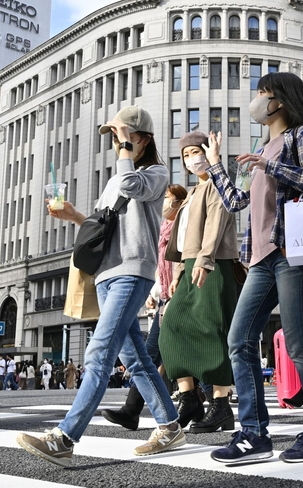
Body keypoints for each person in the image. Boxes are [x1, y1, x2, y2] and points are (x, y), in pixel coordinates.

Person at [16, 105, 182, 466]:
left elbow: (129, 185)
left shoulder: (156, 172)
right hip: (106, 275)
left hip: (132, 271)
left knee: (99, 354)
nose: (117, 143)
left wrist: (124, 151)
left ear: (143, 139)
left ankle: (65, 437)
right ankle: (169, 425)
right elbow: (101, 223)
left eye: (123, 136)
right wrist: (73, 214)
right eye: (114, 137)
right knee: (135, 358)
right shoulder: (115, 178)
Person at [204, 72, 303, 464]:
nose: (256, 99)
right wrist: (215, 165)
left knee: (298, 341)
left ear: (279, 100)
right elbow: (236, 202)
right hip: (261, 258)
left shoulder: (302, 136)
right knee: (238, 340)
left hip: (294, 251)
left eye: (262, 93)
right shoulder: (260, 146)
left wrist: (272, 165)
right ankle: (253, 434)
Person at [160, 131, 241, 433]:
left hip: (214, 264)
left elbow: (216, 226)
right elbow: (184, 240)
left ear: (209, 151)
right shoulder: (194, 192)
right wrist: (179, 273)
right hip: (193, 265)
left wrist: (205, 260)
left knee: (213, 331)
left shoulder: (219, 185)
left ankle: (221, 405)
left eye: (197, 151)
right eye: (186, 155)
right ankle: (188, 396)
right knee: (172, 327)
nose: (192, 158)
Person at [102, 184, 186, 431]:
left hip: (179, 294)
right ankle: (199, 399)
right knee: (168, 352)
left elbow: (182, 263)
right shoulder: (162, 230)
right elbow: (161, 269)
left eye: (168, 199)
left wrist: (172, 293)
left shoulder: (182, 226)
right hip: (166, 296)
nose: (164, 204)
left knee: (153, 352)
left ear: (180, 203)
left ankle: (133, 410)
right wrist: (154, 294)